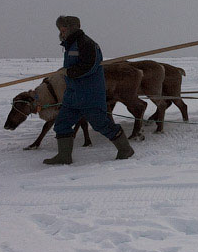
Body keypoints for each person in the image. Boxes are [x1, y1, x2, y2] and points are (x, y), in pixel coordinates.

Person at [43, 16, 134, 165]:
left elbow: (89, 66)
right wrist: (66, 72)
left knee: (101, 125)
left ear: (72, 28)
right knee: (61, 124)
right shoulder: (70, 45)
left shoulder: (87, 44)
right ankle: (64, 156)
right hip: (72, 95)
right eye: (60, 30)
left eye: (63, 29)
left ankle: (125, 149)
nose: (61, 32)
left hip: (90, 95)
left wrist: (68, 72)